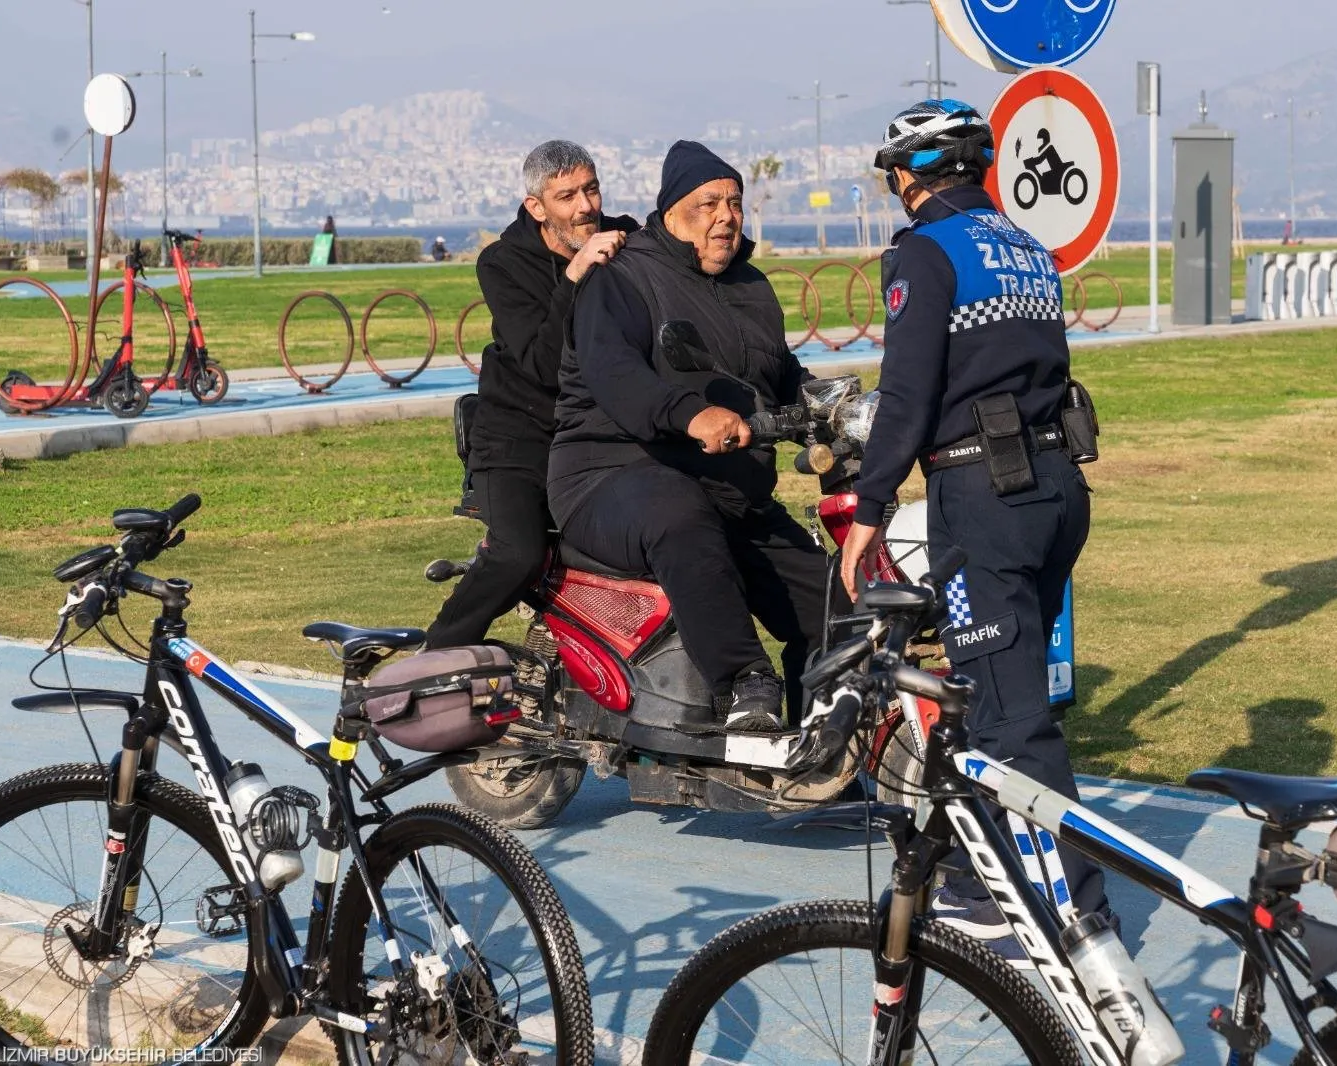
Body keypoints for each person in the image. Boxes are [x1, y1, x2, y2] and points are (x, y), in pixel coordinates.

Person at [839, 99, 1109, 944]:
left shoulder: (925, 252)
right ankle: (976, 857)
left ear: (909, 175)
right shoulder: (1027, 247)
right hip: (1057, 487)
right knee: (1007, 690)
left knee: (1006, 712)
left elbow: (908, 395)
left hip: (985, 496)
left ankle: (1068, 910)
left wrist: (869, 513)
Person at [550, 140, 832, 732]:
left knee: (831, 609)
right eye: (708, 204)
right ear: (672, 211)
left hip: (726, 488)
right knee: (678, 514)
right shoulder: (621, 277)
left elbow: (779, 372)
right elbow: (614, 374)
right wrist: (689, 414)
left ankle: (824, 738)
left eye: (734, 202)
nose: (726, 216)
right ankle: (744, 684)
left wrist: (831, 405)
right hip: (611, 474)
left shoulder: (751, 287)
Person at [424, 140, 638, 649]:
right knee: (516, 554)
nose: (585, 206)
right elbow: (543, 363)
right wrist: (577, 272)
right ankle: (436, 654)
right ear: (536, 207)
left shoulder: (625, 240)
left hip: (597, 433)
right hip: (515, 438)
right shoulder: (502, 263)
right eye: (567, 196)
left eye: (591, 189)